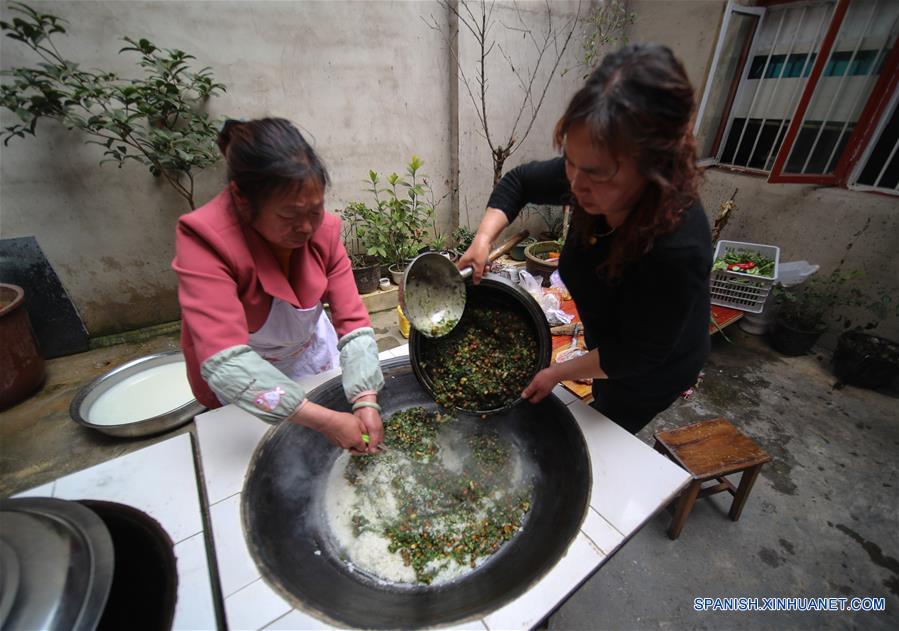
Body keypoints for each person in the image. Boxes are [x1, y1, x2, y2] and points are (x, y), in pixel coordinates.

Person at [458, 44, 711, 435]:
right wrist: (483, 239)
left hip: (652, 369)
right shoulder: (590, 173)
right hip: (610, 344)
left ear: (654, 168)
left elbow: (635, 355)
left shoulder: (676, 249)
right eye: (570, 162)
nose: (575, 184)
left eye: (594, 173)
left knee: (610, 424)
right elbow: (519, 182)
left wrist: (558, 372)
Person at [173, 118, 383, 453]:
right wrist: (326, 420)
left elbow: (353, 321)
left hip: (306, 351)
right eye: (289, 217)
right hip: (249, 372)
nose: (305, 228)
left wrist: (366, 399)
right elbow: (228, 360)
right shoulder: (205, 239)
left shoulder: (323, 231)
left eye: (315, 211)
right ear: (241, 199)